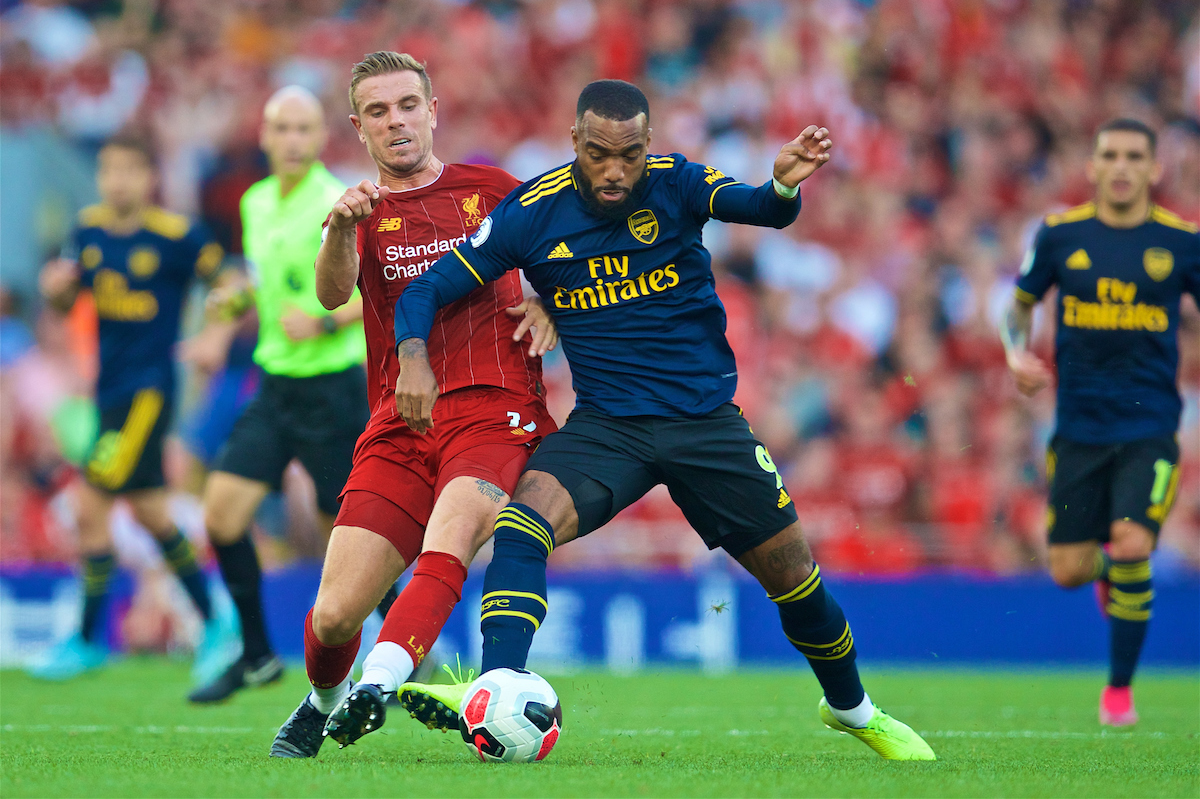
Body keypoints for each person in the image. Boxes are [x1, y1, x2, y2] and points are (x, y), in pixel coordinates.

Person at [391, 80, 936, 761]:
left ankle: (853, 709)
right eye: (599, 154)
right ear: (575, 146)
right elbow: (426, 288)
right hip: (608, 427)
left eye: (630, 154)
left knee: (795, 577)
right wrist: (413, 355)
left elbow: (760, 207)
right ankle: (498, 682)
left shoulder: (676, 182)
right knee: (521, 524)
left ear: (649, 147)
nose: (616, 169)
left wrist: (784, 186)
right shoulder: (532, 211)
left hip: (704, 424)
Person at [269, 51, 557, 758]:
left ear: (433, 111)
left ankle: (379, 684)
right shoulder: (361, 212)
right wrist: (339, 229)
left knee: (449, 538)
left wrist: (553, 299)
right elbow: (333, 294)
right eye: (377, 111)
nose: (395, 121)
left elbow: (574, 244)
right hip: (401, 424)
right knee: (335, 613)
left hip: (496, 409)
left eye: (406, 105)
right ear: (358, 128)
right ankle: (325, 698)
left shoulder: (492, 189)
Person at [188, 86, 388, 703]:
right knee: (221, 515)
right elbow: (262, 282)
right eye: (284, 128)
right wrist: (232, 308)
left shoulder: (342, 201)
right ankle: (254, 655)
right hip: (275, 384)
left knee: (351, 541)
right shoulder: (255, 203)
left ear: (320, 136)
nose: (294, 140)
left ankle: (407, 644)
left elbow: (381, 289)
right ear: (266, 137)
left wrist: (327, 320)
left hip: (332, 391)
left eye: (305, 128)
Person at [1001, 118, 1198, 726]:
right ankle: (1110, 573)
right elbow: (1020, 304)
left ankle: (1118, 694)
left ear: (1152, 169)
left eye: (1133, 156)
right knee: (1066, 570)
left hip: (1150, 426)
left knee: (1135, 541)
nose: (1120, 166)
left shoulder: (1183, 242)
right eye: (1109, 154)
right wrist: (1015, 352)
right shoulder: (1061, 235)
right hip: (1078, 429)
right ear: (1091, 166)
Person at [32, 134, 231, 681]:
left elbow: (231, 284)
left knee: (89, 502)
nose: (118, 180)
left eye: (129, 169)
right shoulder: (87, 230)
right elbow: (66, 297)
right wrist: (54, 290)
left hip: (149, 390)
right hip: (108, 389)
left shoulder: (177, 235)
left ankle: (87, 638)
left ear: (149, 178)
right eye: (109, 170)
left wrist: (216, 333)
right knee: (149, 512)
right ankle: (218, 622)